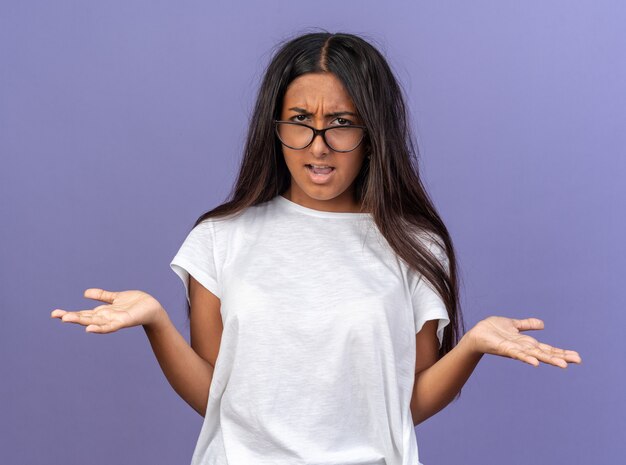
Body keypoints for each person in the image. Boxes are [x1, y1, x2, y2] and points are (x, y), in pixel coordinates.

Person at [50, 31, 582, 465]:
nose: (318, 147)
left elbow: (401, 406)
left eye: (342, 124)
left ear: (374, 133)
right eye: (300, 122)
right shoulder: (220, 238)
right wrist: (157, 323)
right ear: (275, 127)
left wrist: (471, 348)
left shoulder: (416, 246)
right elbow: (217, 399)